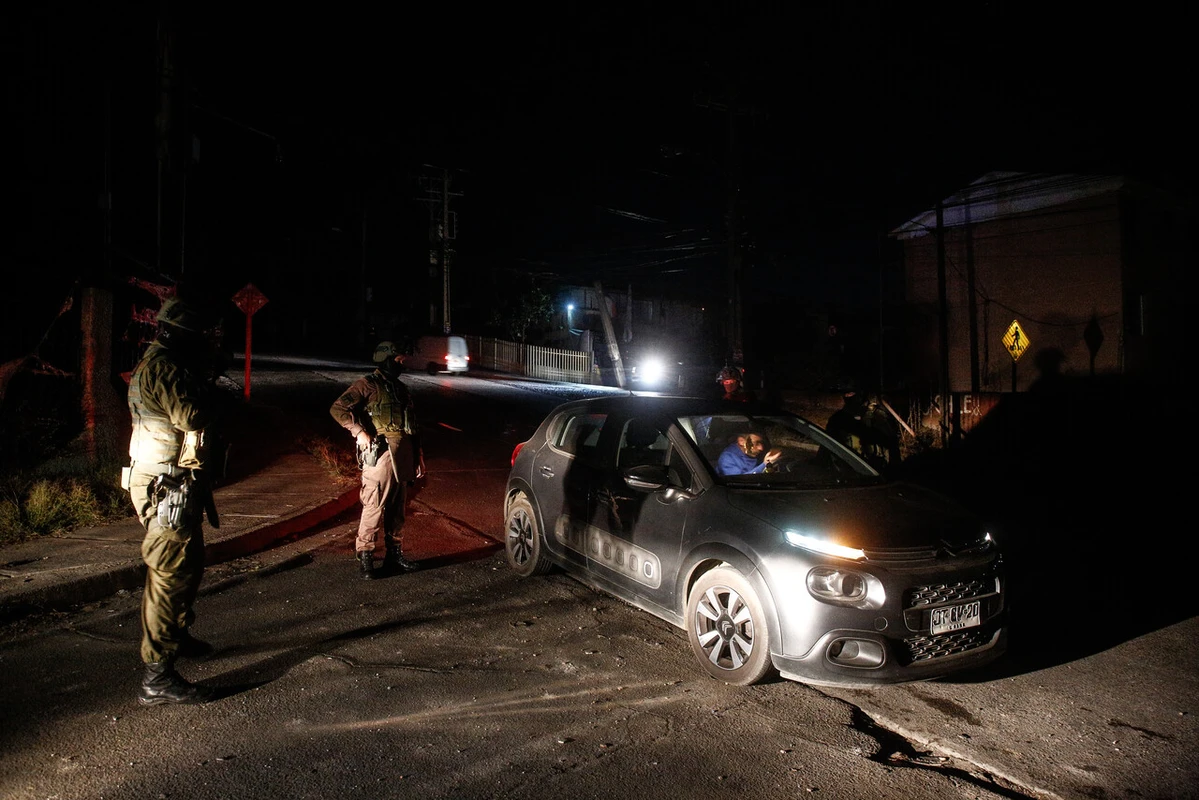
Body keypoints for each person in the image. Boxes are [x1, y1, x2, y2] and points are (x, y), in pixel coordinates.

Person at [125, 296, 230, 706]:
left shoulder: (166, 363)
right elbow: (192, 416)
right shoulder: (166, 367)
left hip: (174, 481)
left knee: (189, 566)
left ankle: (177, 635)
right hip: (166, 484)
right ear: (177, 335)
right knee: (168, 577)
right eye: (198, 337)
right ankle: (158, 677)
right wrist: (211, 390)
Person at [330, 340, 424, 580]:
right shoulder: (368, 384)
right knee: (374, 505)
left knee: (398, 508)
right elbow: (338, 408)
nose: (402, 364)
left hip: (402, 452)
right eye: (398, 360)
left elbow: (412, 426)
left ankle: (395, 555)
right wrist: (358, 431)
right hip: (379, 452)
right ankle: (366, 556)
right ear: (387, 359)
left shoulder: (400, 388)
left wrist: (419, 456)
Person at [827, 391, 898, 471]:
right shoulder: (837, 420)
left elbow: (892, 444)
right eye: (847, 393)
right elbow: (827, 446)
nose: (849, 396)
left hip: (876, 472)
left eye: (852, 393)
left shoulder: (877, 417)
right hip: (849, 472)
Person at [716, 431, 782, 475]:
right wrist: (765, 464)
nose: (761, 448)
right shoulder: (727, 458)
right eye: (756, 443)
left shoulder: (756, 454)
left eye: (761, 443)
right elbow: (739, 482)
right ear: (741, 441)